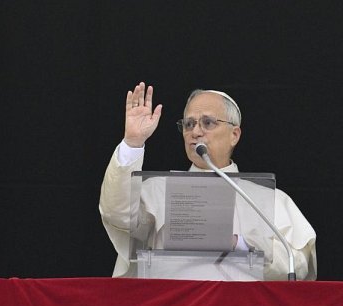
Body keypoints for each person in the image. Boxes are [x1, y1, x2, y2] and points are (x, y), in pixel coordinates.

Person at [99, 82, 317, 280]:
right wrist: (133, 143)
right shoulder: (156, 190)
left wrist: (238, 245)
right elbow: (116, 214)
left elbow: (296, 265)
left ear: (234, 134)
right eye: (189, 124)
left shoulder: (271, 199)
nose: (196, 131)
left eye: (208, 122)